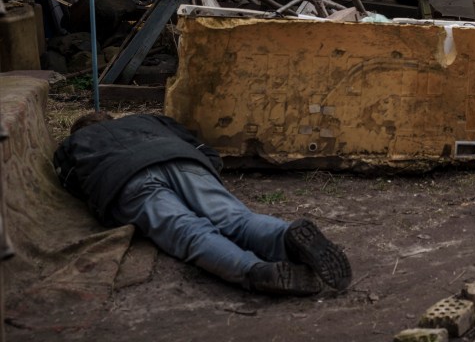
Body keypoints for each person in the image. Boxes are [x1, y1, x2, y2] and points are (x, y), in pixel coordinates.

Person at [53, 111, 352, 296]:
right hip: (180, 158)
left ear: (78, 131)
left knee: (188, 232)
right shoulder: (147, 119)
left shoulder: (74, 144)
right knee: (235, 218)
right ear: (111, 118)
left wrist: (105, 202)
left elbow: (71, 181)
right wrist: (207, 169)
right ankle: (285, 238)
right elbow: (198, 143)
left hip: (125, 179)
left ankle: (253, 270)